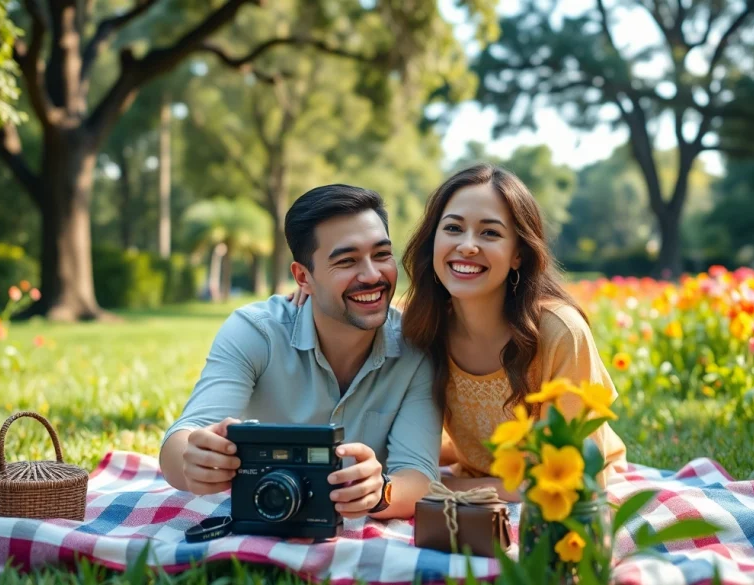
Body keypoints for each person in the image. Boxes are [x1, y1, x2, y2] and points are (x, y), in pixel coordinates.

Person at [289, 164, 627, 501]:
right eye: (453, 228)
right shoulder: (420, 326)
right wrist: (317, 290)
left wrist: (434, 488)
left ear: (518, 254)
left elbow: (577, 480)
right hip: (473, 476)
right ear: (433, 241)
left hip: (561, 495)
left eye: (490, 233)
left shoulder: (559, 334)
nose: (467, 246)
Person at [160, 184, 442, 521]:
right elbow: (184, 437)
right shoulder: (255, 332)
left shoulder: (416, 348)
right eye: (347, 260)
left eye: (381, 255)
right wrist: (193, 461)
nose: (372, 275)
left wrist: (380, 492)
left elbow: (420, 477)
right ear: (303, 277)